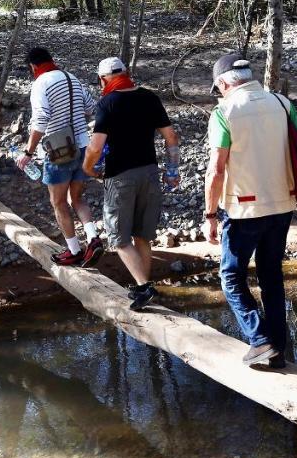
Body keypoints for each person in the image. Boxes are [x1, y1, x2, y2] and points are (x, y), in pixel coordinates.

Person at [203, 54, 297, 369]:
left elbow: (216, 170)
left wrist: (209, 215)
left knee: (231, 275)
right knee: (271, 274)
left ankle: (260, 341)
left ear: (223, 83)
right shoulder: (283, 104)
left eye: (217, 88)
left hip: (244, 209)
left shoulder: (224, 112)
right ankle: (278, 348)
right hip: (283, 202)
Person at [83, 57, 180, 311]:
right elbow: (171, 137)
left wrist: (87, 168)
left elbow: (95, 146)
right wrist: (171, 171)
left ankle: (145, 288)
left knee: (119, 238)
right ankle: (141, 288)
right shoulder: (149, 97)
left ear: (104, 79)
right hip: (149, 173)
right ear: (126, 73)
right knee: (142, 235)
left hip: (120, 176)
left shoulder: (108, 103)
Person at [16, 47, 104, 266]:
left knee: (58, 202)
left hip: (58, 151)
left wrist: (28, 152)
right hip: (83, 147)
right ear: (51, 59)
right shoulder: (71, 78)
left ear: (33, 66)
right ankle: (93, 239)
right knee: (77, 199)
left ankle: (74, 250)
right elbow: (92, 108)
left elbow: (41, 120)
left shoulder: (40, 84)